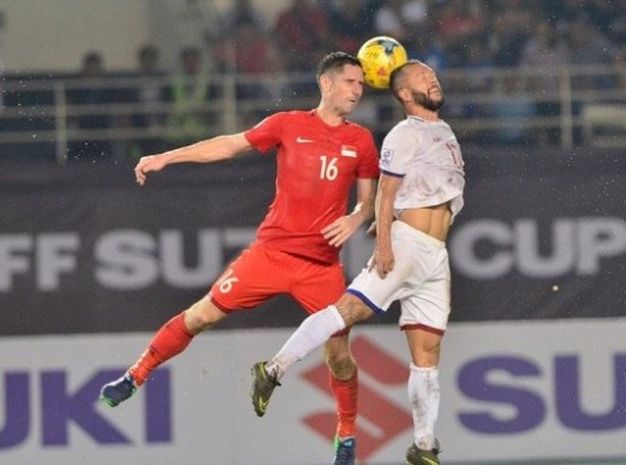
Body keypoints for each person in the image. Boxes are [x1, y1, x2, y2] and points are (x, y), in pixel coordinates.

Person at [99, 51, 379, 465]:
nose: (358, 90)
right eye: (351, 82)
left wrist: (357, 218)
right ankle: (135, 375)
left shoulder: (361, 140)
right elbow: (230, 145)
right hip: (270, 254)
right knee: (201, 316)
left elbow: (369, 203)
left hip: (321, 268)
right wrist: (167, 156)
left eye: (361, 84)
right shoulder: (288, 125)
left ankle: (348, 436)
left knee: (339, 357)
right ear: (327, 84)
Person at [250, 60, 465, 465]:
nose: (432, 79)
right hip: (406, 246)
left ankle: (422, 445)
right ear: (403, 93)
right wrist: (384, 243)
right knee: (348, 311)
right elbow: (385, 194)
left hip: (436, 255)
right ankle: (274, 369)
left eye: (433, 75)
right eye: (422, 77)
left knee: (428, 348)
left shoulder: (444, 131)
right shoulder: (403, 134)